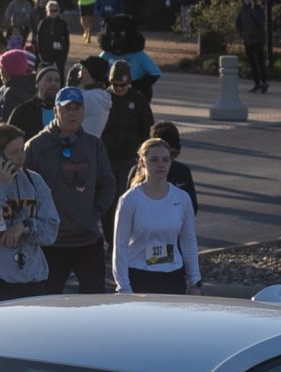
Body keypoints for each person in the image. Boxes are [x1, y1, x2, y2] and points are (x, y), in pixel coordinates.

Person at [24, 86, 117, 294]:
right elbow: (22, 189)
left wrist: (96, 212)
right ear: (56, 111)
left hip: (87, 240)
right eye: (67, 109)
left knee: (94, 305)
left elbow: (108, 183)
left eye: (77, 108)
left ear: (83, 112)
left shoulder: (94, 145)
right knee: (47, 307)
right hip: (51, 243)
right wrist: (37, 222)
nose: (72, 113)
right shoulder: (36, 147)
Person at [0, 123, 60, 306]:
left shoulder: (34, 181)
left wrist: (25, 226)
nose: (21, 157)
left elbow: (51, 230)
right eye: (14, 152)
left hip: (30, 278)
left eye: (22, 150)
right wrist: (1, 187)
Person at [112, 138, 201, 296]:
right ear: (142, 162)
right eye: (153, 159)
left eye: (165, 160)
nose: (160, 164)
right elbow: (120, 246)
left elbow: (188, 241)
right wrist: (123, 286)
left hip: (173, 277)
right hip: (140, 277)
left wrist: (195, 281)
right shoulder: (130, 200)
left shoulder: (182, 198)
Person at [101, 59, 155, 242]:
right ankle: (111, 240)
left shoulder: (138, 100)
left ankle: (125, 240)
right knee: (107, 202)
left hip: (128, 159)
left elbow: (147, 128)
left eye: (122, 85)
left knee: (123, 200)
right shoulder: (103, 98)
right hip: (107, 158)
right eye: (115, 84)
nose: (118, 88)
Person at [148, 121, 199, 216]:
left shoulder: (182, 172)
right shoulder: (139, 173)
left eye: (174, 154)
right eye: (163, 157)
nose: (168, 161)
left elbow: (191, 208)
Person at [10, 64, 61, 143]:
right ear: (37, 84)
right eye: (49, 80)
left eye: (57, 80)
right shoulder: (22, 112)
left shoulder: (64, 111)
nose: (54, 84)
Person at [236, 0, 268, 93]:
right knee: (252, 63)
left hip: (258, 39)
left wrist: (253, 9)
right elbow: (238, 23)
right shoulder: (242, 10)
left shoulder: (258, 9)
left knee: (260, 61)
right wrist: (242, 34)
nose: (247, 0)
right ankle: (257, 83)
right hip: (248, 40)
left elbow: (260, 21)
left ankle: (264, 82)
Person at [0, 48, 36, 122]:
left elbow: (3, 124)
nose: (0, 72)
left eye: (1, 68)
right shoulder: (32, 86)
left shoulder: (11, 93)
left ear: (6, 71)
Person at [75, 55, 112, 137]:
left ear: (88, 74)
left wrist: (70, 87)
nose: (80, 72)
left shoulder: (88, 98)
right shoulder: (102, 95)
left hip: (81, 145)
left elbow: (63, 111)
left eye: (82, 70)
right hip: (92, 144)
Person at [36, 0, 70, 78]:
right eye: (51, 10)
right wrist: (40, 52)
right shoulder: (43, 23)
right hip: (46, 52)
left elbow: (66, 39)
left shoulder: (62, 23)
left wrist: (64, 52)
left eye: (55, 10)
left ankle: (61, 88)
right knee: (46, 72)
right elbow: (39, 38)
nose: (53, 12)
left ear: (58, 11)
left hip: (59, 52)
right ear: (47, 11)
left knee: (61, 72)